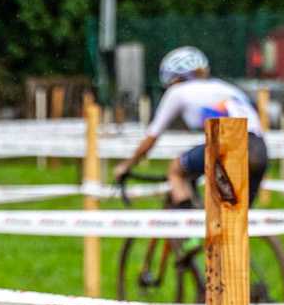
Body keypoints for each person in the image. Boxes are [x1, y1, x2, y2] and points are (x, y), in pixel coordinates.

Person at [109, 46, 265, 206]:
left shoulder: (177, 91)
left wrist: (127, 165)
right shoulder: (225, 87)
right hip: (259, 150)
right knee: (240, 215)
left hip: (228, 145)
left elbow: (152, 136)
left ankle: (186, 220)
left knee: (176, 170)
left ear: (172, 77)